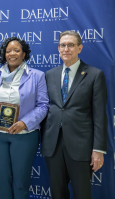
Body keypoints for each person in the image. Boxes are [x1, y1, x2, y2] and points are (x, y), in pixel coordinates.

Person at [42, 30, 108, 199]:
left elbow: (100, 114)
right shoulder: (49, 75)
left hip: (81, 146)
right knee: (58, 193)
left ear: (80, 48)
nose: (66, 49)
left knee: (82, 194)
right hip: (53, 145)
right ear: (58, 48)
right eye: (62, 45)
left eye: (71, 45)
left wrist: (98, 149)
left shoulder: (94, 75)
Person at [0, 37, 49, 199]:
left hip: (25, 135)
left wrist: (25, 123)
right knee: (1, 181)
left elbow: (43, 106)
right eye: (8, 51)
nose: (11, 53)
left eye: (16, 50)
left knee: (21, 183)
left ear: (24, 54)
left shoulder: (37, 76)